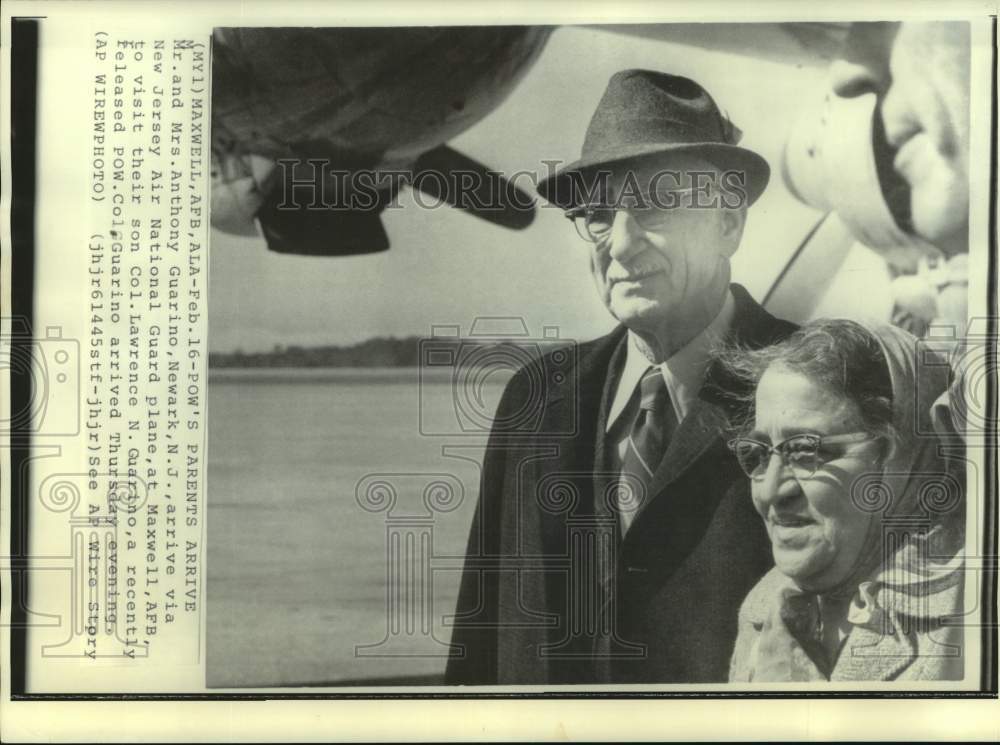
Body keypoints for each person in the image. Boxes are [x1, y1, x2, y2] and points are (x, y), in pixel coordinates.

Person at [446, 69, 796, 684]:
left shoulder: (812, 383)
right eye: (600, 214)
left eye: (657, 204)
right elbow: (480, 638)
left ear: (728, 224)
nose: (622, 244)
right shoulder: (533, 396)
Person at [725, 318, 965, 682]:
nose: (770, 490)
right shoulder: (765, 609)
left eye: (806, 451)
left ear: (897, 460)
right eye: (759, 455)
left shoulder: (968, 622)